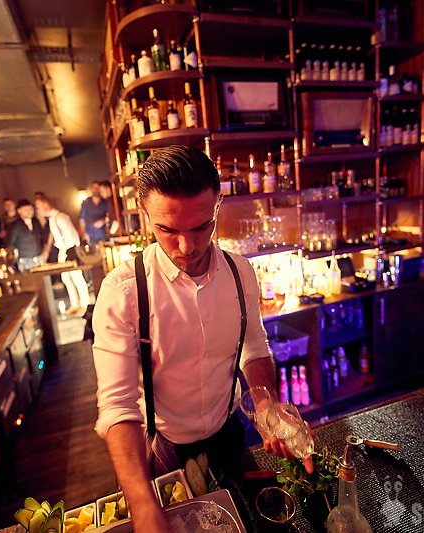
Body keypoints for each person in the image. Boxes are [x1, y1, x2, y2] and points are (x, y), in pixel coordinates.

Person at [91, 146, 308, 533]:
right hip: (163, 446)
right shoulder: (123, 291)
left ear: (217, 206)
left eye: (201, 227)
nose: (186, 247)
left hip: (230, 433)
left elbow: (254, 348)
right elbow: (117, 405)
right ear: (144, 212)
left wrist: (266, 406)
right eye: (167, 229)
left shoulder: (241, 273)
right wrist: (142, 505)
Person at [37, 196, 90, 315]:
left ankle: (85, 304)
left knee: (77, 277)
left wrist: (69, 252)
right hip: (63, 250)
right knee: (66, 278)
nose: (38, 211)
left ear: (45, 206)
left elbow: (73, 236)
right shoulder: (52, 219)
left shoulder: (61, 217)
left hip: (69, 250)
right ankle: (75, 304)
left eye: (39, 208)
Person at [6, 199, 45, 269]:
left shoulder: (36, 222)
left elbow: (42, 238)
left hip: (39, 258)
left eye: (31, 209)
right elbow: (10, 244)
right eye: (26, 209)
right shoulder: (15, 225)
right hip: (25, 260)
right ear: (19, 211)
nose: (29, 211)